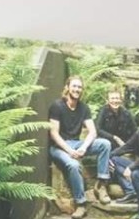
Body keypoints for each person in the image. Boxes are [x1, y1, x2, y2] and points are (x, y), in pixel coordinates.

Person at [48, 75, 112, 207]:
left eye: (79, 87)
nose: (77, 89)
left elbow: (93, 131)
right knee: (74, 165)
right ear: (67, 88)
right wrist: (70, 151)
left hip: (77, 144)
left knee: (105, 144)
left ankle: (101, 185)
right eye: (74, 86)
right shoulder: (57, 106)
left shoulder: (83, 108)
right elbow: (54, 134)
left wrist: (83, 147)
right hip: (59, 147)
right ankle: (81, 203)